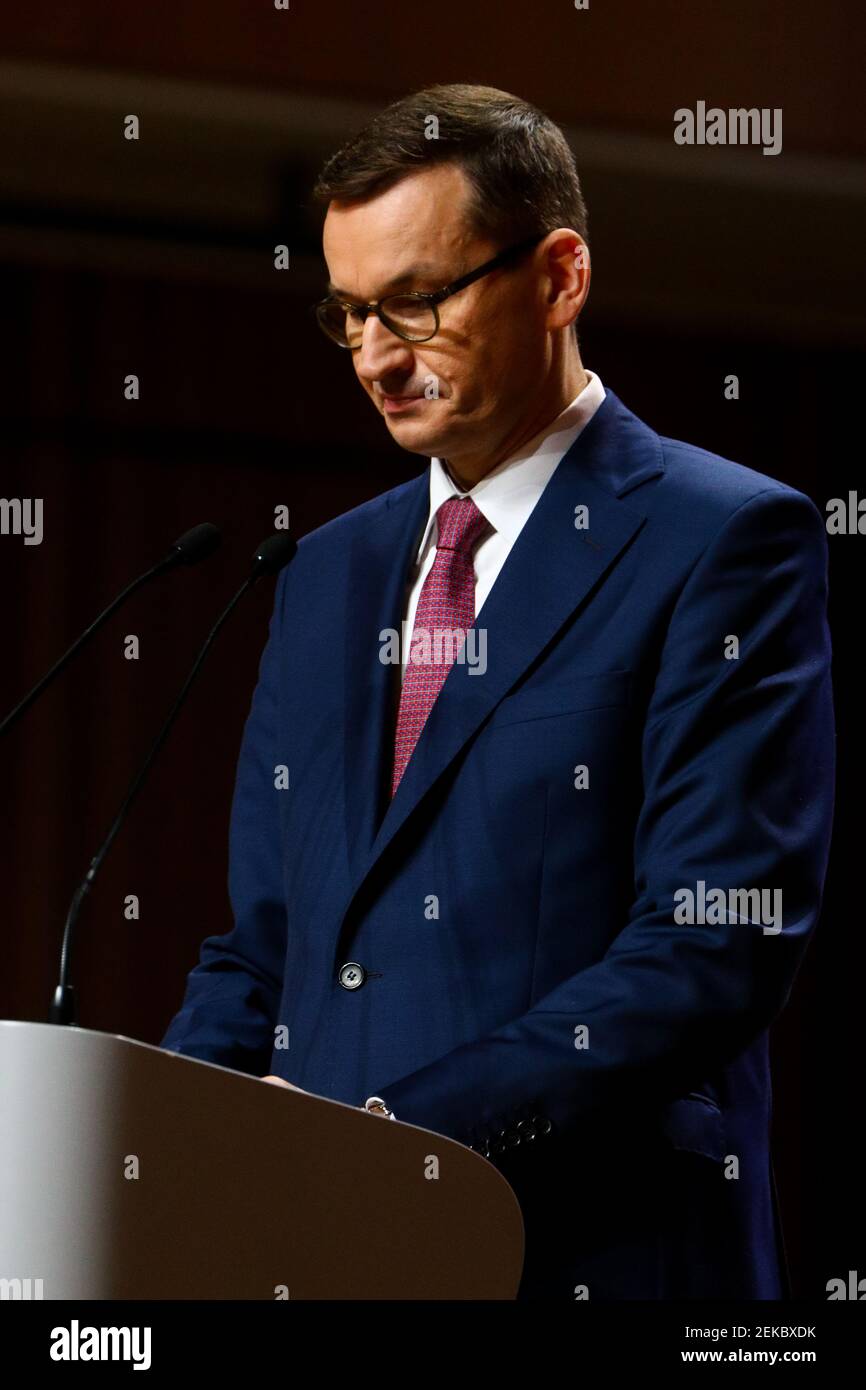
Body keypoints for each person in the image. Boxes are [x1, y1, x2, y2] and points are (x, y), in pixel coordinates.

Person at [161, 84, 835, 1300]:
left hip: (592, 1253)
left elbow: (707, 945)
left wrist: (382, 1144)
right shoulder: (318, 576)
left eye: (414, 301)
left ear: (559, 275)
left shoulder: (723, 540)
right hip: (320, 1269)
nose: (374, 355)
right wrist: (154, 1152)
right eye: (349, 313)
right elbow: (264, 950)